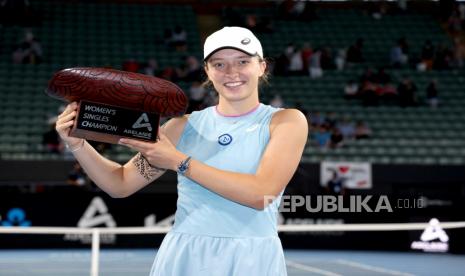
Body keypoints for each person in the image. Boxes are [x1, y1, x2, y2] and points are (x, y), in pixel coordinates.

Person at [55, 26, 308, 276]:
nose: (231, 72)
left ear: (261, 66)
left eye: (243, 61)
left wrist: (178, 160)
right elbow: (120, 184)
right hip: (186, 254)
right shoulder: (181, 127)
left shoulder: (286, 121)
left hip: (253, 257)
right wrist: (77, 144)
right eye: (219, 64)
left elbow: (260, 194)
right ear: (207, 71)